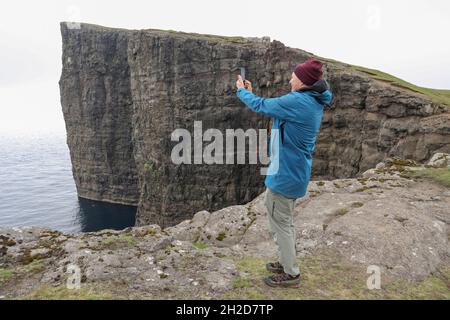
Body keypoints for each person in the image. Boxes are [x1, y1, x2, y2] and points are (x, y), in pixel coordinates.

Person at [235, 58, 333, 288]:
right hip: (294, 171)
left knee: (281, 221)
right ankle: (285, 261)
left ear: (303, 81)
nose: (290, 79)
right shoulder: (311, 100)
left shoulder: (299, 101)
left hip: (286, 174)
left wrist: (242, 92)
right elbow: (270, 105)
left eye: (294, 76)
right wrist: (251, 92)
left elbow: (262, 106)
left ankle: (291, 274)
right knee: (284, 221)